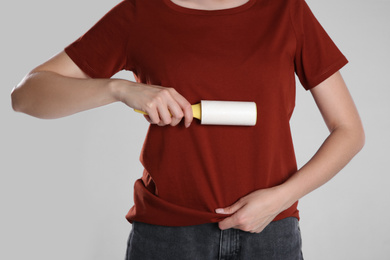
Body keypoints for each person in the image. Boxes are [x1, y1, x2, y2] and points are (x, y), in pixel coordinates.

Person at [11, 0, 365, 259]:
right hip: (168, 237)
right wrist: (119, 89)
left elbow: (348, 129)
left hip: (269, 233)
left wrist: (280, 199)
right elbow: (27, 95)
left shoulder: (286, 11)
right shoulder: (140, 14)